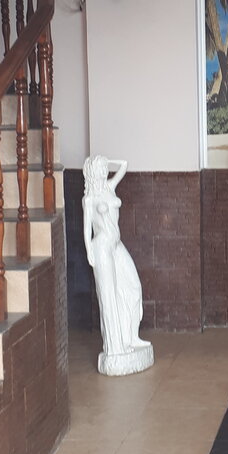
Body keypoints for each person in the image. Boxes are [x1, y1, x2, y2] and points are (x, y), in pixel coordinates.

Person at [82, 155, 152, 373]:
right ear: (93, 172)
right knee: (109, 296)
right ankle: (115, 348)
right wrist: (89, 252)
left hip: (117, 245)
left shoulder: (110, 187)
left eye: (105, 168)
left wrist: (105, 161)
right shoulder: (89, 199)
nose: (105, 171)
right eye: (101, 168)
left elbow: (124, 165)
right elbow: (86, 228)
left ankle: (131, 337)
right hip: (102, 247)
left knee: (133, 287)